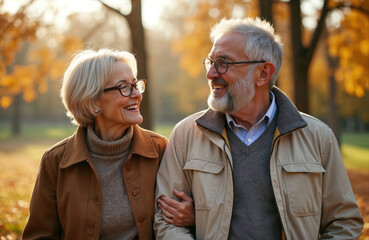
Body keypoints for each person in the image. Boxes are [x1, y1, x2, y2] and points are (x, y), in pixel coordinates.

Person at [154, 18, 364, 240]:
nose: (211, 73)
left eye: (224, 63)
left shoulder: (318, 137)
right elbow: (166, 223)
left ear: (263, 73)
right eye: (211, 62)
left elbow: (344, 222)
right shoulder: (185, 135)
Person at [22, 49, 194, 239]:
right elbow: (38, 235)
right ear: (92, 101)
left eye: (136, 84)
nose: (137, 94)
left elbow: (179, 221)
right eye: (124, 87)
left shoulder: (160, 150)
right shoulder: (55, 161)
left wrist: (193, 217)